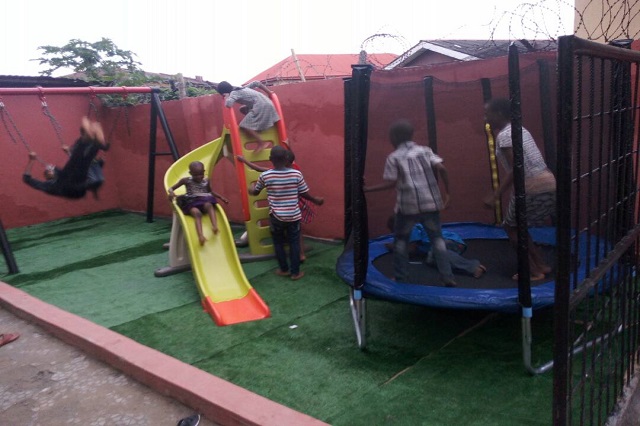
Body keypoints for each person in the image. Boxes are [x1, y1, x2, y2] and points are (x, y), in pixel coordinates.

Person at [364, 119, 457, 287]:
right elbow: (442, 168)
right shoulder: (425, 150)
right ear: (410, 135)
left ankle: (401, 278)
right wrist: (448, 194)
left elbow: (391, 183)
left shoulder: (394, 157)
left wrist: (368, 189)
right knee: (437, 240)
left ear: (393, 137)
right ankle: (447, 276)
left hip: (408, 207)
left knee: (400, 241)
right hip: (431, 203)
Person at [483, 97, 556, 281]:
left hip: (533, 186)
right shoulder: (519, 129)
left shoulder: (505, 136)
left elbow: (517, 167)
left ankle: (533, 271)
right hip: (548, 182)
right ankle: (541, 265)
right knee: (519, 227)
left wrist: (496, 195)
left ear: (499, 114)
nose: (485, 118)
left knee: (511, 228)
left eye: (487, 114)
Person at [249, 146, 324, 280]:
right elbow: (303, 193)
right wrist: (315, 199)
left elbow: (255, 192)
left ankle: (283, 269)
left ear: (270, 159)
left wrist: (251, 189)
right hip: (293, 216)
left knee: (278, 243)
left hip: (276, 217)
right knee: (294, 243)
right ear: (286, 159)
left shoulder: (265, 175)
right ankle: (295, 273)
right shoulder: (296, 174)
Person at [238, 149, 319, 262]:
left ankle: (285, 261)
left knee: (279, 235)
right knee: (297, 232)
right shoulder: (296, 170)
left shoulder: (273, 172)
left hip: (280, 209)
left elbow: (258, 169)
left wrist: (244, 160)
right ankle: (301, 254)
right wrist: (288, 145)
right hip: (296, 205)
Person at [23, 117, 109, 199]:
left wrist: (68, 152)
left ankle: (93, 142)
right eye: (48, 172)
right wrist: (31, 160)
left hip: (77, 181)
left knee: (82, 163)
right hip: (73, 190)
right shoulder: (47, 186)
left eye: (50, 170)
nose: (49, 171)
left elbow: (73, 164)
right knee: (72, 168)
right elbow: (26, 179)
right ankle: (86, 140)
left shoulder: (59, 173)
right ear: (47, 177)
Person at [385, 217, 486, 278]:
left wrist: (395, 247)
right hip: (446, 246)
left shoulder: (412, 229)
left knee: (436, 252)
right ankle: (469, 265)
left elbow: (411, 248)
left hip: (450, 242)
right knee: (431, 260)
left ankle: (473, 267)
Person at [168, 161, 230, 246]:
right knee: (197, 213)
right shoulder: (186, 180)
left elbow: (210, 192)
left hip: (203, 201)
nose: (199, 177)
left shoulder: (206, 181)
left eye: (201, 174)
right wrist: (171, 193)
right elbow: (171, 188)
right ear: (190, 173)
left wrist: (221, 198)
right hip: (191, 203)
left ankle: (215, 226)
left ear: (204, 172)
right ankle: (201, 236)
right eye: (195, 175)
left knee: (209, 205)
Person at [216, 80, 280, 153]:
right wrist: (269, 92)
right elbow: (256, 83)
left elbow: (228, 104)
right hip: (267, 102)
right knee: (242, 109)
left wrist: (226, 97)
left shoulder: (234, 93)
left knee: (244, 125)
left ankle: (261, 142)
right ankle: (255, 126)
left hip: (261, 106)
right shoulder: (241, 88)